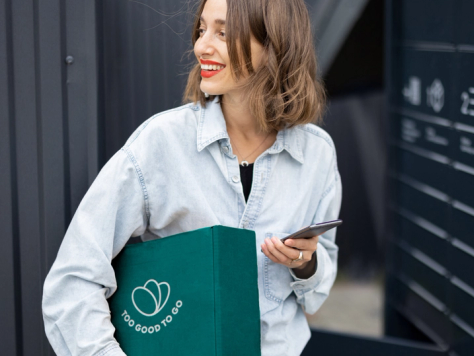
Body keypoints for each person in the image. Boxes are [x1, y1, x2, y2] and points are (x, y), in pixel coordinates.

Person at [42, 0, 341, 354]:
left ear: (274, 45)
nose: (201, 46)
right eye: (202, 30)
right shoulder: (160, 143)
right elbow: (72, 280)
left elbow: (317, 294)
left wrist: (306, 263)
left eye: (223, 33)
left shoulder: (317, 154)